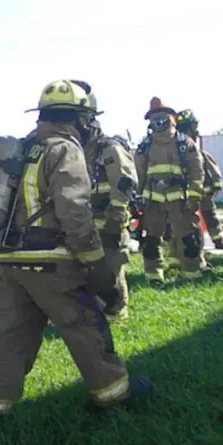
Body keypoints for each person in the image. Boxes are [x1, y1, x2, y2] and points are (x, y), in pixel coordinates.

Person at [0, 79, 151, 418]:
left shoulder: (21, 149)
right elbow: (74, 210)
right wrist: (94, 260)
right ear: (80, 118)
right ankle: (113, 396)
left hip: (7, 262)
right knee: (86, 326)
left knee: (10, 338)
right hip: (51, 263)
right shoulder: (65, 149)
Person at [135, 97, 206, 284]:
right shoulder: (145, 146)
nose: (158, 121)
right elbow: (139, 175)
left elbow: (197, 172)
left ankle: (190, 273)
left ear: (172, 118)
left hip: (181, 200)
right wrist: (138, 197)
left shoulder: (185, 143)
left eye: (161, 116)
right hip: (153, 201)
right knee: (151, 240)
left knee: (188, 238)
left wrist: (194, 195)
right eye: (153, 117)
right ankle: (153, 275)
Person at [81, 83, 136, 322]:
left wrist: (117, 216)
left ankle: (116, 313)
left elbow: (124, 183)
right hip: (84, 225)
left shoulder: (108, 148)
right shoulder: (75, 150)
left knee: (111, 272)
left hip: (108, 223)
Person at [175, 109, 223, 250]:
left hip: (203, 190)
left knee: (209, 214)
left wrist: (216, 186)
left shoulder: (199, 152)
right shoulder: (177, 150)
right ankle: (192, 243)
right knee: (187, 217)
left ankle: (218, 239)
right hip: (184, 190)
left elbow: (212, 169)